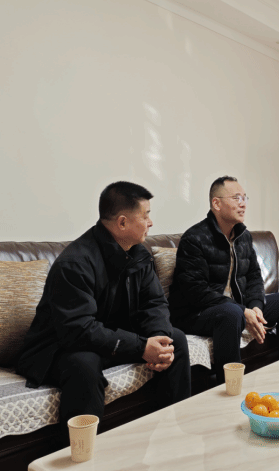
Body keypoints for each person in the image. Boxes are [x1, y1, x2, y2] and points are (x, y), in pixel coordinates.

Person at [17, 181, 191, 443]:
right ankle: (82, 452)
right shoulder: (75, 263)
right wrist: (141, 346)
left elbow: (154, 303)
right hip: (59, 346)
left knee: (174, 339)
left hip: (108, 337)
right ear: (122, 223)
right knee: (84, 365)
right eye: (145, 215)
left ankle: (174, 433)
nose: (151, 222)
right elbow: (78, 330)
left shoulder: (138, 253)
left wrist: (158, 339)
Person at [168, 176, 279, 382]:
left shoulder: (243, 236)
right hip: (196, 313)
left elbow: (254, 276)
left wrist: (256, 306)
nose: (243, 203)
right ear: (216, 203)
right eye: (236, 198)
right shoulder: (194, 239)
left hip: (236, 308)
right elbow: (196, 291)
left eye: (245, 198)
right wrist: (242, 310)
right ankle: (231, 386)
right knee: (232, 313)